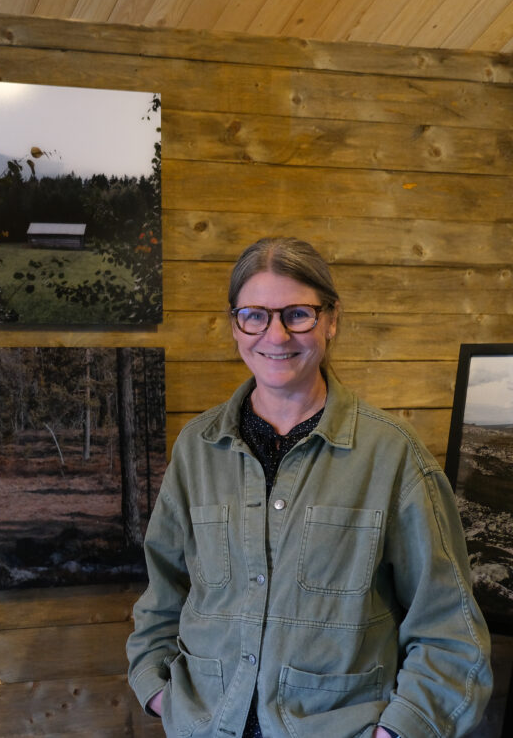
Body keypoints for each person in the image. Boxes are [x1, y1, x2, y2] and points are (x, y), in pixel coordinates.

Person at [126, 237, 492, 737]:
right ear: (235, 325)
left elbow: (451, 633)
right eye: (254, 315)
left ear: (331, 319)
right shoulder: (196, 450)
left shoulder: (394, 458)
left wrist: (399, 732)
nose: (275, 335)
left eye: (297, 313)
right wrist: (158, 689)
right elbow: (163, 591)